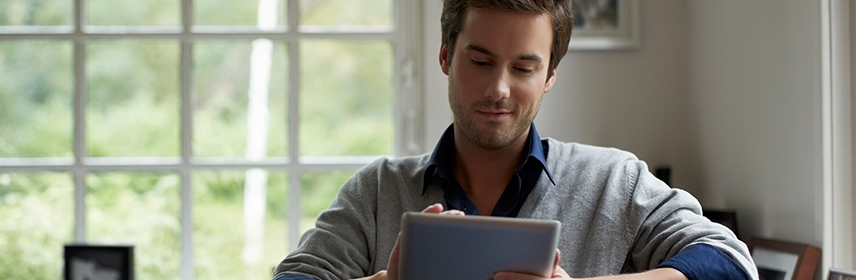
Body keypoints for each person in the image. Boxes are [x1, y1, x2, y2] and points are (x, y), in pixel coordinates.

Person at [273, 0, 758, 279]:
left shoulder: (615, 181)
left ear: (550, 75)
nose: (498, 89)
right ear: (445, 56)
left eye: (524, 67)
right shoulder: (376, 192)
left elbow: (733, 265)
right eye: (480, 61)